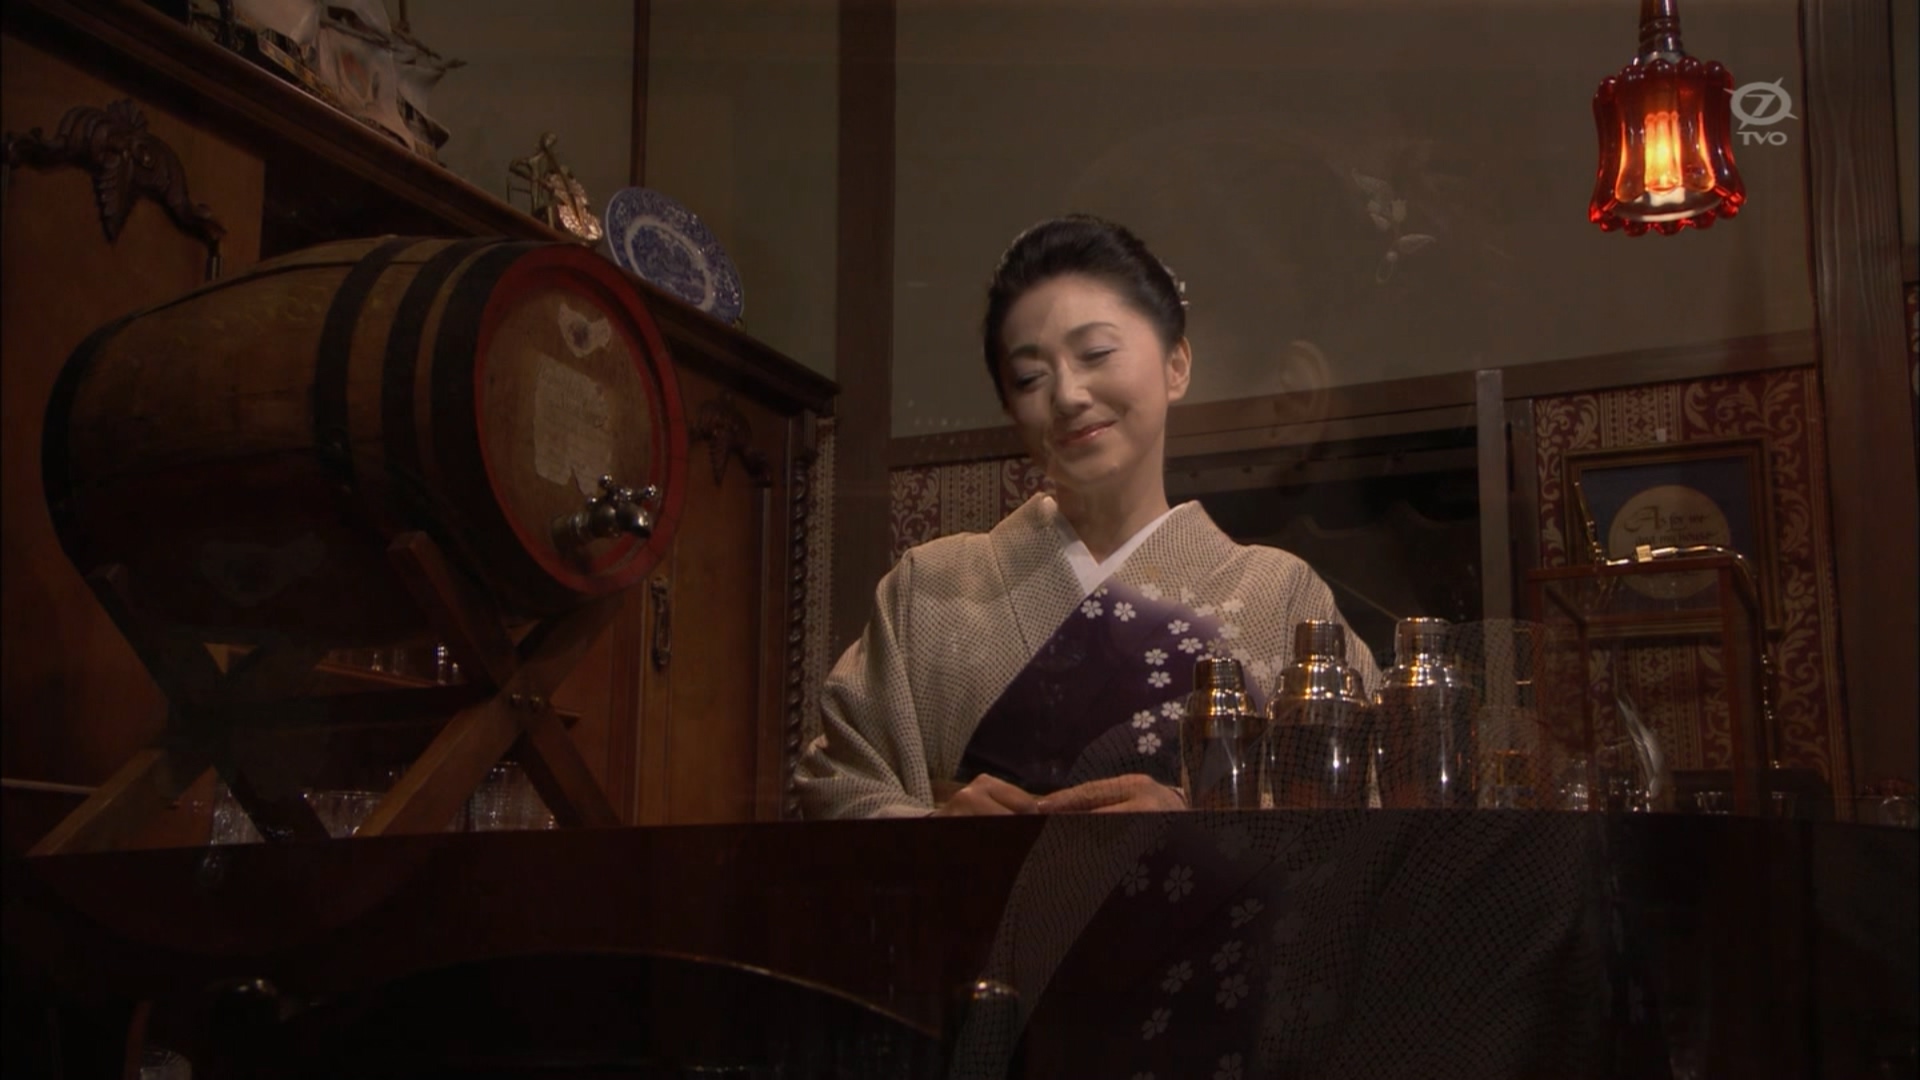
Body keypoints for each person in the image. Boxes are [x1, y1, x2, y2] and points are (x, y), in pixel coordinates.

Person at [796, 214, 1379, 820]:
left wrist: (1197, 824)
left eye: (1097, 353)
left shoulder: (1280, 597)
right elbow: (836, 785)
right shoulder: (931, 589)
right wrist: (939, 833)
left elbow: (1373, 804)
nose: (1068, 396)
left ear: (1176, 364)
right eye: (1030, 377)